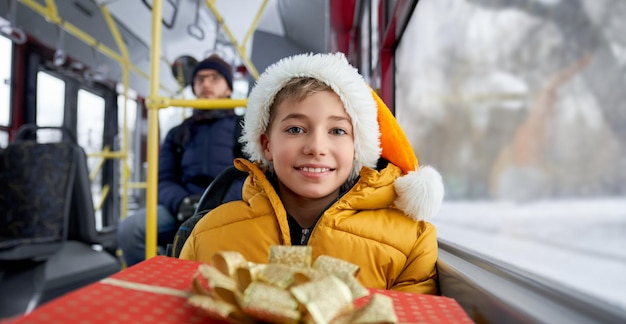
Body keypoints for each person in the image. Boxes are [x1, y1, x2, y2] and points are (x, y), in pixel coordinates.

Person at [179, 52, 444, 294]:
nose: (316, 148)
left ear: (357, 148)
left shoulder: (410, 244)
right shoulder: (207, 236)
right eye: (295, 129)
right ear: (266, 144)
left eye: (337, 131)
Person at [117, 54, 243, 267]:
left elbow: (252, 176)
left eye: (214, 78)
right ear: (193, 88)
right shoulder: (179, 132)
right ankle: (152, 283)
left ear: (228, 89)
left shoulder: (243, 128)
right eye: (200, 80)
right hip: (183, 205)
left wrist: (216, 202)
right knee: (131, 230)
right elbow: (164, 178)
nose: (205, 84)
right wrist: (182, 202)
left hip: (228, 205)